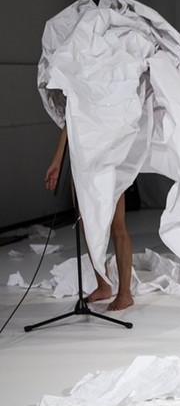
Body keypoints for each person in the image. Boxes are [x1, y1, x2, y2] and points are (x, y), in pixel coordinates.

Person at [45, 127, 134, 311]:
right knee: (86, 224)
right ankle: (103, 285)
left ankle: (125, 293)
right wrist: (58, 160)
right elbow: (70, 122)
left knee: (117, 226)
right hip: (82, 158)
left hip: (108, 156)